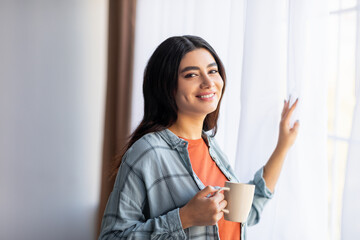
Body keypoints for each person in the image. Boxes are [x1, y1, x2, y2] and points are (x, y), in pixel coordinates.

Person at [98, 35, 299, 240]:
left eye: (213, 71)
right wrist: (184, 218)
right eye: (192, 75)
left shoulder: (211, 147)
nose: (208, 82)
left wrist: (282, 146)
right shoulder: (147, 152)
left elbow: (247, 213)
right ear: (166, 86)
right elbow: (111, 237)